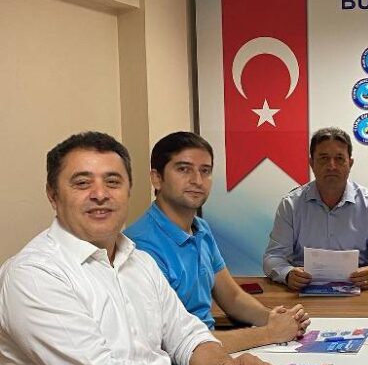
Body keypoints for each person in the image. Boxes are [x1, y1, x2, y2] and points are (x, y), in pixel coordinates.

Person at [0, 132, 277, 365]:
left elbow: (186, 335)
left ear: (129, 190)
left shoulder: (140, 262)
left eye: (113, 182)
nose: (100, 194)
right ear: (53, 195)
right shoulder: (33, 276)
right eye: (82, 183)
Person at [125, 132, 309, 353]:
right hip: (183, 364)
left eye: (205, 171)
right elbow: (173, 343)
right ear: (156, 178)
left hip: (214, 352)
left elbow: (233, 298)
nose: (197, 180)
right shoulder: (140, 247)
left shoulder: (200, 228)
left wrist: (273, 318)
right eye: (183, 169)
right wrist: (269, 333)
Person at [263, 127, 368, 290]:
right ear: (312, 163)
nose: (332, 166)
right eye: (324, 158)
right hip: (302, 292)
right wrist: (288, 273)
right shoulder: (290, 204)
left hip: (359, 291)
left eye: (339, 158)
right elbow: (273, 256)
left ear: (350, 163)